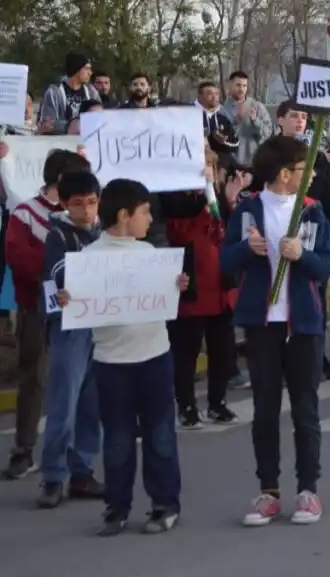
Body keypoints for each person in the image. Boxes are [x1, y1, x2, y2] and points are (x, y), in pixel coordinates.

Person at [222, 135, 330, 527]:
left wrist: (301, 256)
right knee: (265, 410)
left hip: (302, 324)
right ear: (285, 173)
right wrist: (245, 251)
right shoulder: (249, 210)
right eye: (306, 169)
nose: (313, 175)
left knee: (305, 409)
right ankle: (268, 491)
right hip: (262, 324)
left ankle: (308, 490)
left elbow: (325, 266)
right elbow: (226, 259)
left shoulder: (312, 211)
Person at [82, 179, 185, 535]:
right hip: (111, 364)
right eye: (145, 212)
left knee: (160, 434)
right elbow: (70, 299)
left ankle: (164, 503)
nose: (150, 218)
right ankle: (117, 506)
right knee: (118, 438)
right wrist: (68, 299)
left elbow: (170, 298)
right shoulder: (89, 260)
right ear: (125, 215)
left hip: (155, 357)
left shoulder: (152, 256)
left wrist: (179, 285)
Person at [1, 149, 91, 480]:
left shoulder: (84, 214)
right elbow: (19, 259)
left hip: (78, 311)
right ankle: (24, 449)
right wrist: (60, 270)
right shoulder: (26, 214)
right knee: (33, 378)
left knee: (76, 381)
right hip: (37, 308)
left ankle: (75, 455)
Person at [37, 170, 105, 508]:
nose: (86, 211)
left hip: (101, 325)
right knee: (64, 405)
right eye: (78, 205)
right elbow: (55, 274)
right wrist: (65, 291)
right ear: (65, 204)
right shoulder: (58, 236)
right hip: (70, 327)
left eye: (92, 203)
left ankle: (83, 471)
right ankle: (53, 475)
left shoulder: (104, 231)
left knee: (92, 406)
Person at [165, 149, 240, 428]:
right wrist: (201, 214)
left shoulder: (216, 196)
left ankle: (217, 403)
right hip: (193, 288)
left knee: (222, 350)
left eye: (210, 165)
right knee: (187, 351)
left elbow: (228, 231)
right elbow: (177, 234)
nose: (206, 171)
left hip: (220, 287)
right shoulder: (174, 199)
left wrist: (227, 203)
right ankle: (186, 406)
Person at [38, 52, 100, 134]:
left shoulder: (92, 92)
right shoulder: (54, 93)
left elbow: (100, 120)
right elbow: (47, 125)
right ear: (77, 69)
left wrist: (63, 126)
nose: (90, 73)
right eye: (87, 68)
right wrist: (75, 126)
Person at [221, 71, 272, 166]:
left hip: (255, 163)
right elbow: (221, 141)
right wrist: (236, 121)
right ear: (230, 85)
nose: (242, 89)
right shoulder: (222, 110)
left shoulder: (257, 106)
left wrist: (255, 120)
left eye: (244, 86)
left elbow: (267, 134)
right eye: (238, 85)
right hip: (231, 164)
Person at [198, 81, 238, 155]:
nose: (214, 97)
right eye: (210, 94)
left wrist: (224, 140)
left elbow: (235, 144)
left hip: (219, 162)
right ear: (200, 96)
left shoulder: (223, 115)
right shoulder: (189, 112)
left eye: (216, 94)